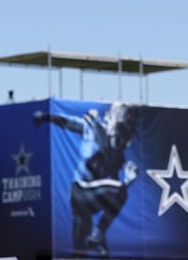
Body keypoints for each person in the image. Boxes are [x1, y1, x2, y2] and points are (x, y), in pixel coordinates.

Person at [33, 103, 138, 257]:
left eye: (124, 137)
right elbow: (67, 122)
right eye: (119, 132)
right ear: (109, 120)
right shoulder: (92, 128)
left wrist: (128, 179)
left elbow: (113, 196)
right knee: (121, 190)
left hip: (90, 200)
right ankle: (98, 234)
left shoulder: (117, 155)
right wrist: (46, 117)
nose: (120, 141)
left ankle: (97, 236)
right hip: (81, 190)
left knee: (81, 251)